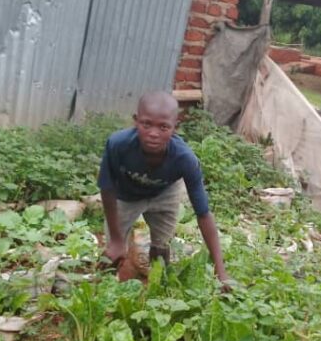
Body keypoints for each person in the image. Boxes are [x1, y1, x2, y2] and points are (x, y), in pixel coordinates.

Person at [98, 91, 231, 287]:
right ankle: (104, 288)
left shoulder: (184, 159)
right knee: (113, 250)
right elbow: (107, 188)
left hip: (164, 194)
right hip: (125, 196)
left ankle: (157, 286)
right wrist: (117, 240)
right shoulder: (118, 145)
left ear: (175, 128)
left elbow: (203, 213)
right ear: (136, 121)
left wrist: (221, 271)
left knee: (162, 245)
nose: (153, 133)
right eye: (146, 124)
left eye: (163, 127)